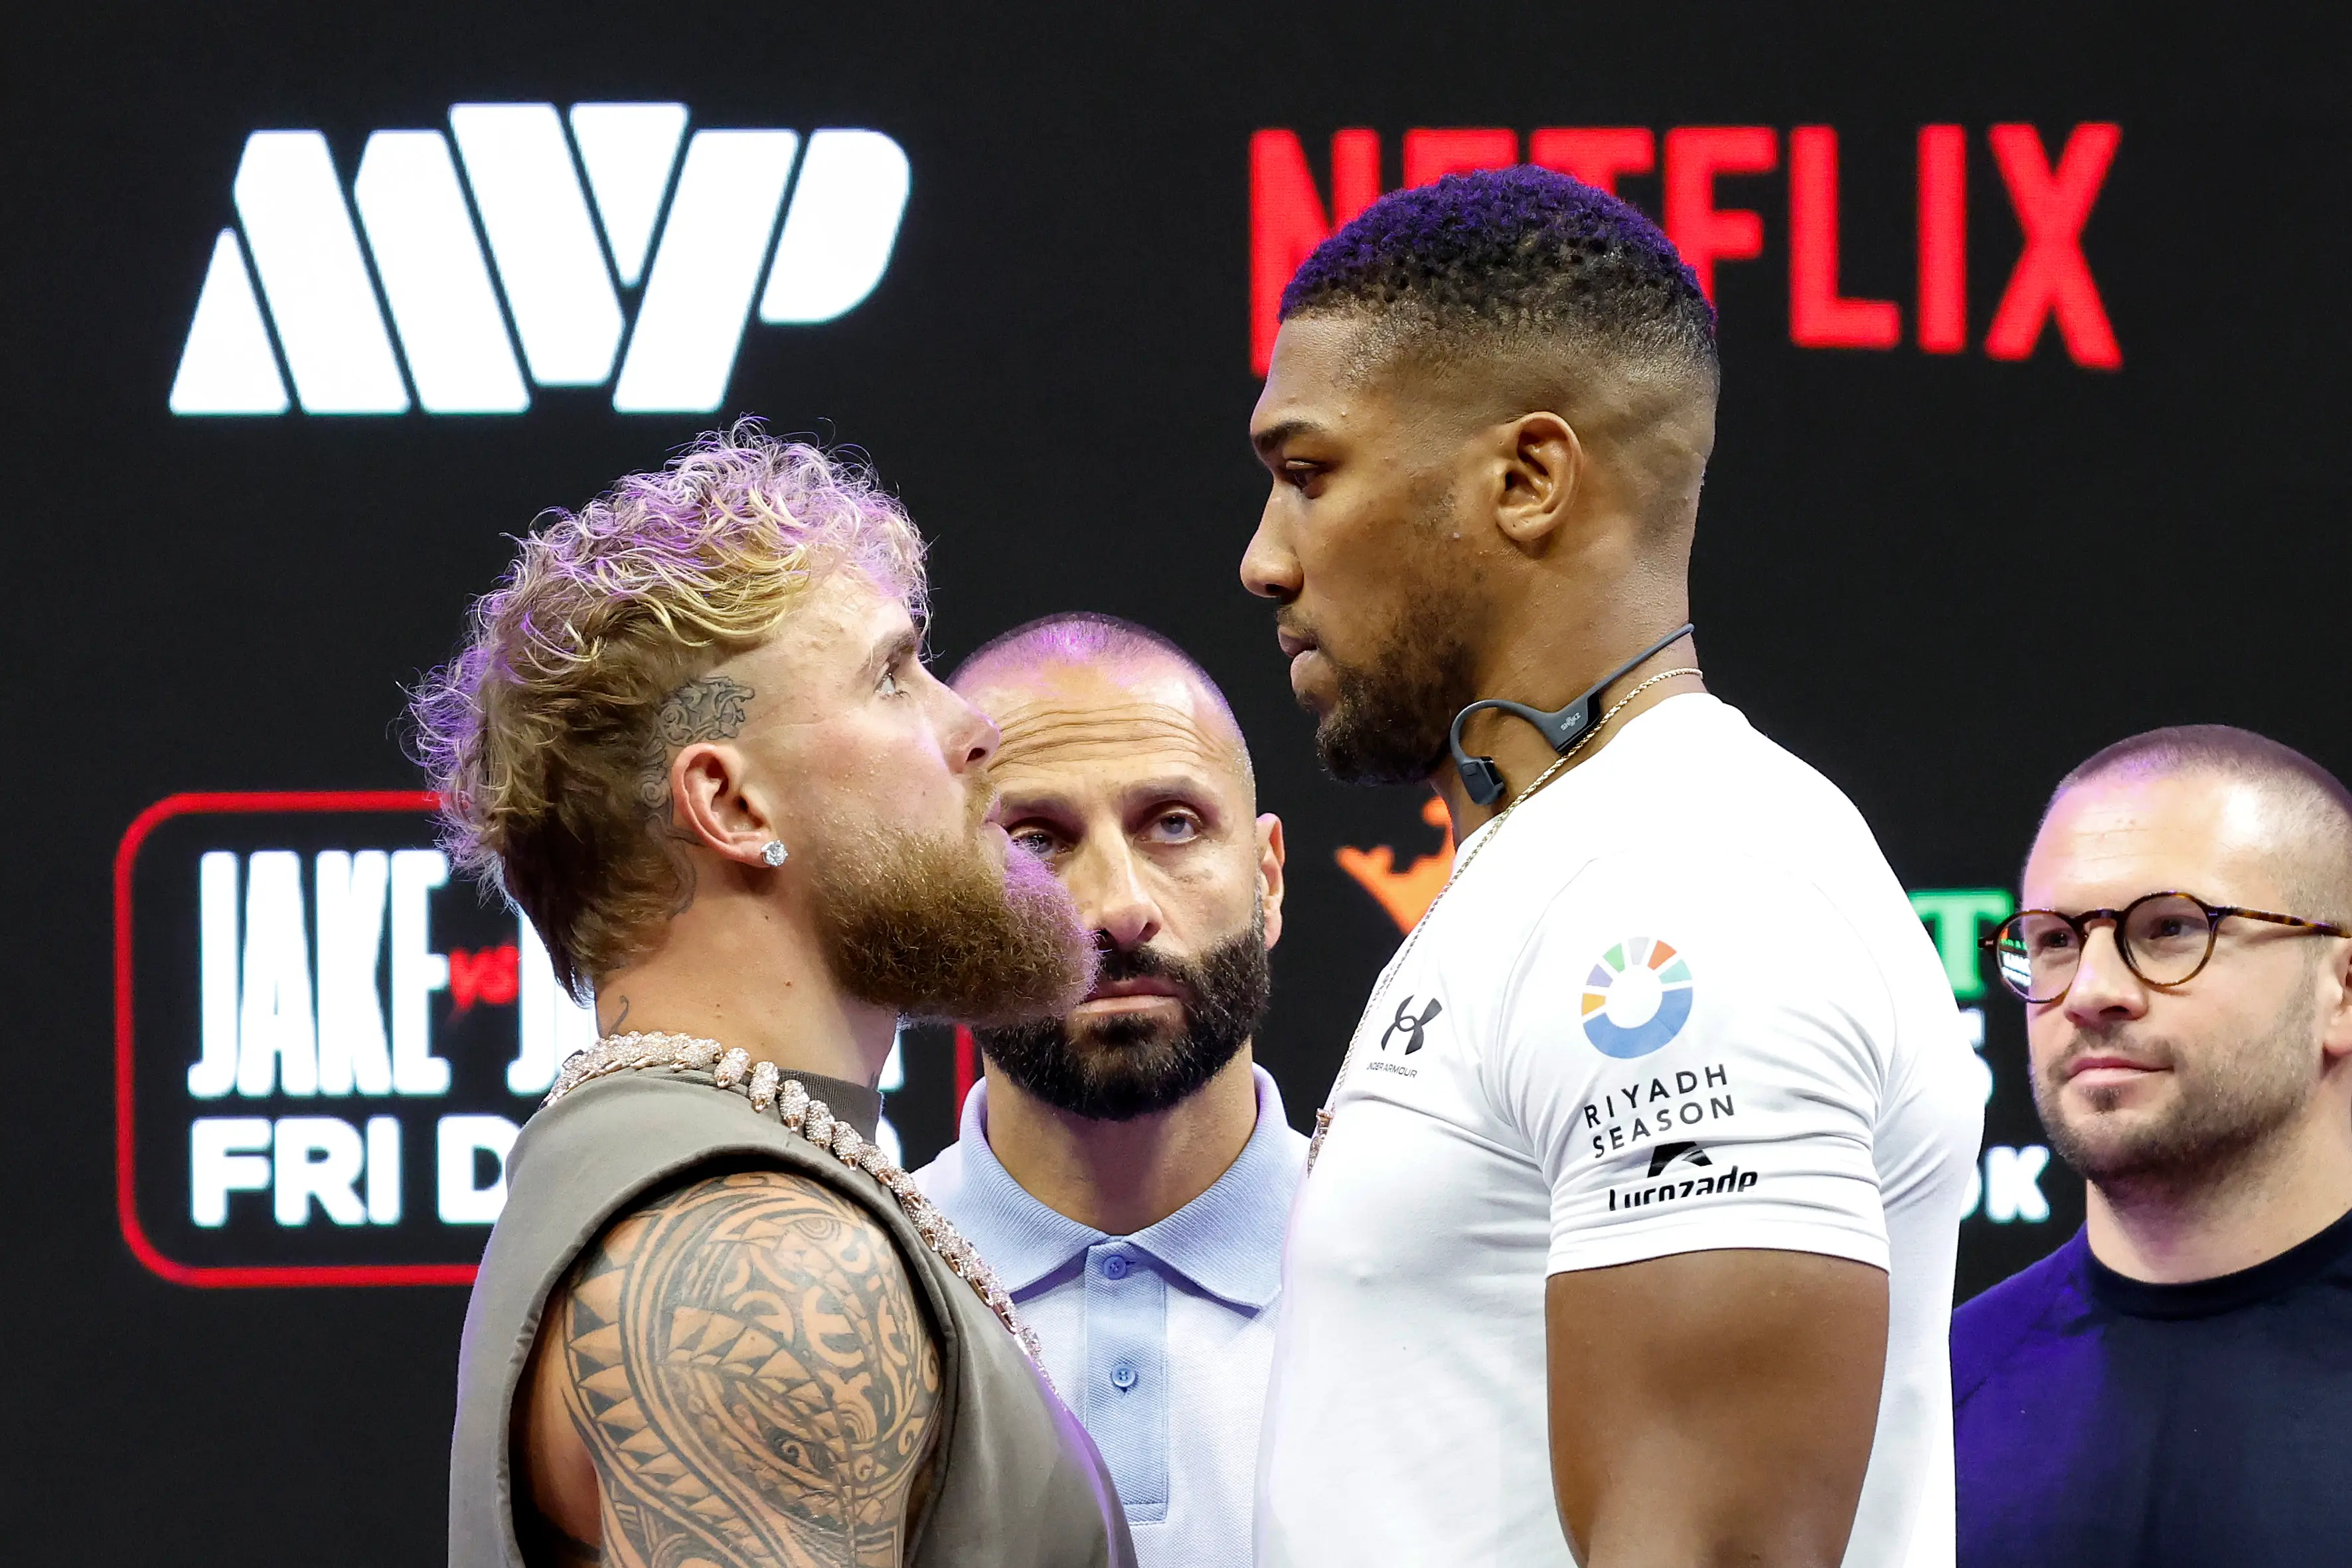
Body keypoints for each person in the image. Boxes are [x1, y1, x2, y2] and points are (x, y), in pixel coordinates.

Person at [1241, 167, 1982, 1567]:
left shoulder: (1685, 885)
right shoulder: (1566, 857)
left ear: (1527, 480)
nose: (1262, 560)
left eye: (1307, 473)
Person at [418, 428, 1135, 1568]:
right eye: (891, 674)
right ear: (730, 804)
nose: (972, 724)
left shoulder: (731, 1184)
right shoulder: (762, 1267)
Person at [914, 613, 1304, 1568]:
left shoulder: (1436, 1268)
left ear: (1267, 877)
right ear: (943, 900)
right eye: (1035, 840)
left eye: (1173, 823)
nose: (1118, 908)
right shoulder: (853, 1293)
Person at [1952, 725, 2352, 1567]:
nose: (2090, 993)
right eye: (2056, 940)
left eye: (2170, 927)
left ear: (2342, 992)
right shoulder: (1936, 1396)